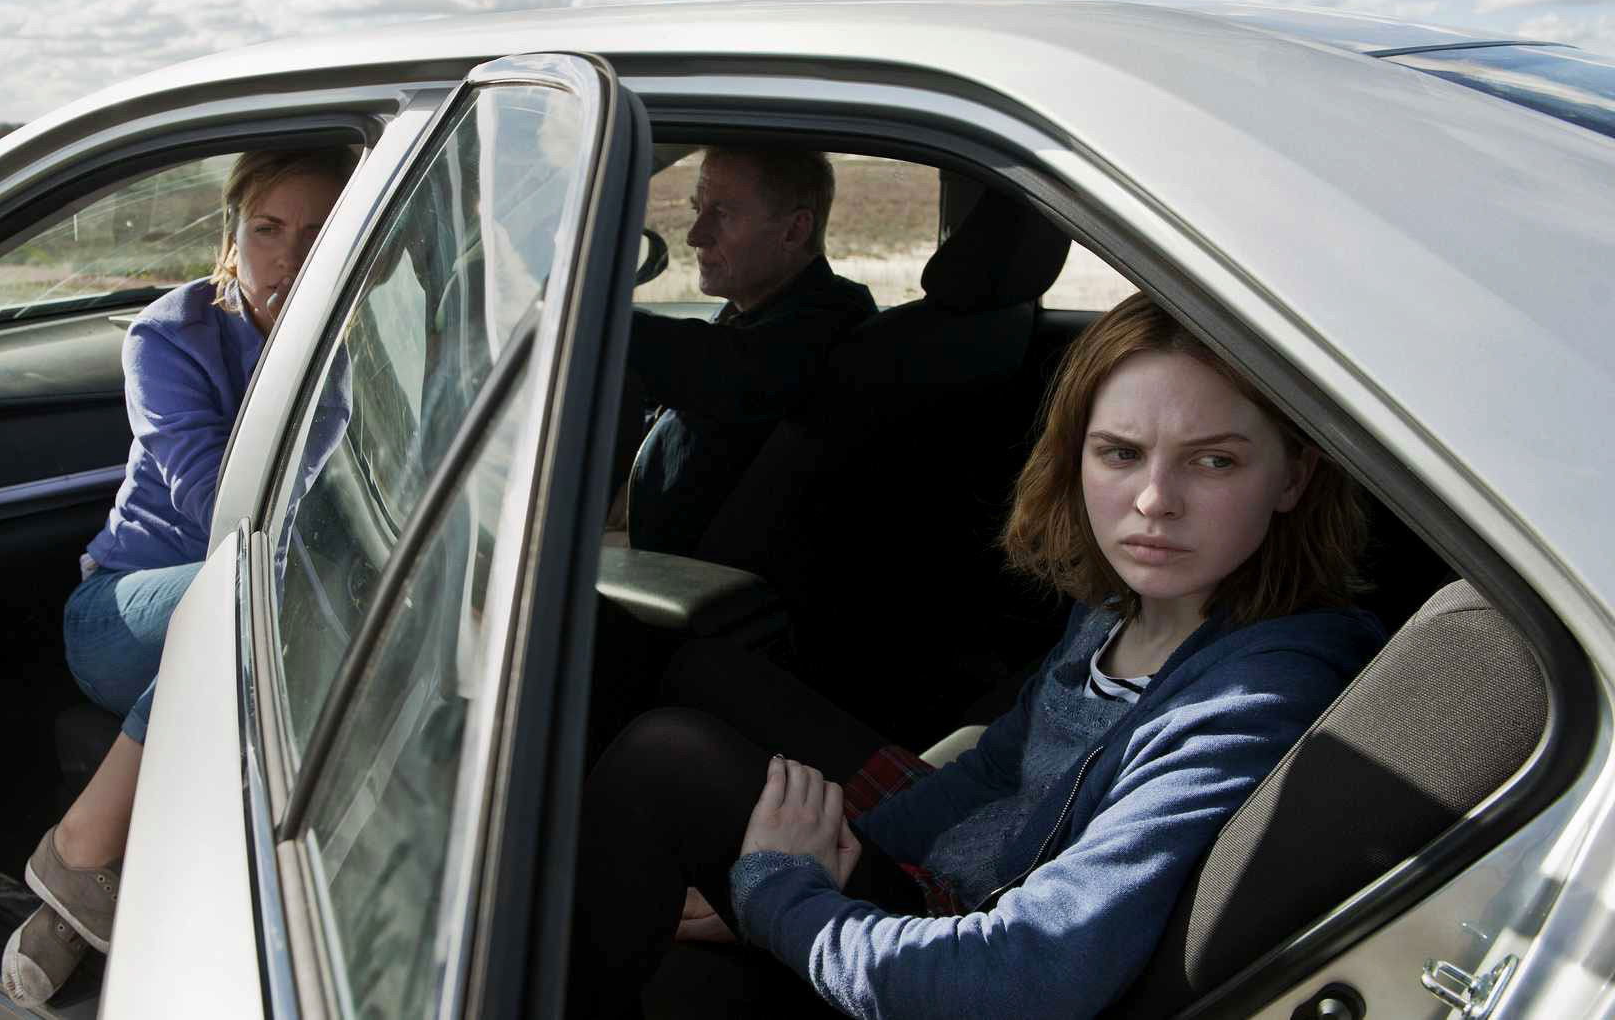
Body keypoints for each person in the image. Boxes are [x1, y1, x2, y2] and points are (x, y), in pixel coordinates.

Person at [570, 292, 1384, 1018]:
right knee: (702, 669)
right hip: (961, 877)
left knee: (666, 758)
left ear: (1294, 476)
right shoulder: (1120, 606)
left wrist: (784, 893)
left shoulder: (1254, 698)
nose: (1153, 500)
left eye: (1214, 460)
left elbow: (1031, 971)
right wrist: (847, 848)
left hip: (973, 940)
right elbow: (999, 766)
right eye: (1120, 452)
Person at [0, 145, 356, 1004]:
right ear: (232, 237)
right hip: (123, 613)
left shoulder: (366, 336)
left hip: (274, 601)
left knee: (305, 609)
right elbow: (222, 508)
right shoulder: (171, 334)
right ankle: (81, 847)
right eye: (267, 229)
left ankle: (94, 906)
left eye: (318, 235)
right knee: (258, 585)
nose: (290, 256)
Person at [624, 147, 876, 557]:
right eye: (698, 210)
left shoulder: (830, 324)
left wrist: (594, 318)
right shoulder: (762, 311)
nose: (695, 235)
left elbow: (729, 371)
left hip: (707, 582)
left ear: (794, 231)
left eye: (722, 215)